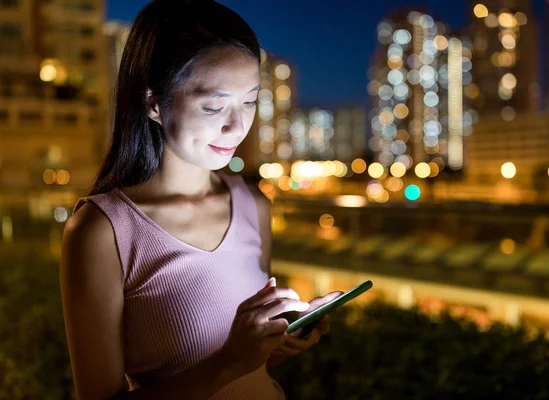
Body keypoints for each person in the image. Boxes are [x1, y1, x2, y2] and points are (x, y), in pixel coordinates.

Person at [59, 1, 341, 398]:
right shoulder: (103, 231)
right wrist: (230, 359)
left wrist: (276, 344)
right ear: (152, 102)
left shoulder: (251, 205)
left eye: (249, 101)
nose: (236, 126)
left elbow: (244, 370)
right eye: (213, 106)